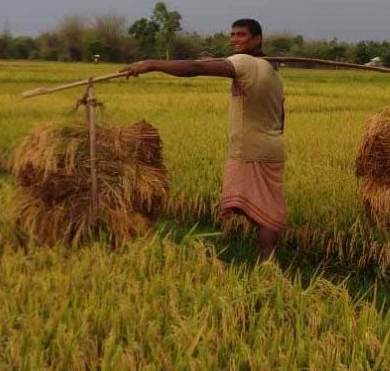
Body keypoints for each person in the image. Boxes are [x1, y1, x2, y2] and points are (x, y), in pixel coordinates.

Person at [122, 18, 286, 260]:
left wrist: (152, 64)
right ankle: (267, 259)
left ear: (257, 39)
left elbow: (197, 68)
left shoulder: (245, 63)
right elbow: (282, 116)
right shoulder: (273, 72)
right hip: (272, 148)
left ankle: (268, 260)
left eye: (241, 35)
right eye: (232, 34)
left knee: (263, 209)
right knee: (263, 204)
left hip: (249, 150)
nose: (234, 39)